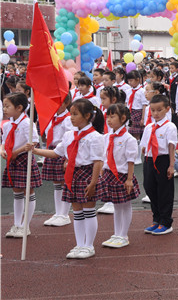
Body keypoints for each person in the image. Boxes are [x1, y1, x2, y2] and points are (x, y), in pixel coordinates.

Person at [31, 99, 106, 259]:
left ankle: (89, 245)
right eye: (71, 113)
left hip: (87, 174)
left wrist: (93, 183)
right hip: (73, 175)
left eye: (75, 114)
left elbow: (98, 162)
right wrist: (35, 150)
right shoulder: (68, 135)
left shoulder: (95, 137)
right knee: (77, 212)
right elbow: (56, 153)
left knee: (89, 211)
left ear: (87, 116)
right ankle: (79, 244)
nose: (71, 117)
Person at [99, 104, 140, 248]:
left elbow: (130, 160)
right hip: (110, 175)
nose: (109, 120)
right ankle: (117, 233)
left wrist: (129, 179)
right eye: (107, 116)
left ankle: (124, 234)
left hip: (122, 176)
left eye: (112, 116)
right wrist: (103, 169)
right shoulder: (107, 136)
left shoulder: (129, 139)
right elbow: (105, 154)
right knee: (116, 206)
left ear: (123, 118)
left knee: (125, 205)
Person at [2, 93, 41, 238]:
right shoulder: (7, 124)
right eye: (4, 106)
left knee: (28, 191)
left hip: (23, 159)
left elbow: (33, 141)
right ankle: (17, 224)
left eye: (7, 106)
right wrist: (2, 150)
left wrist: (17, 152)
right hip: (12, 160)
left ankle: (26, 225)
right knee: (16, 192)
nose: (4, 109)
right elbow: (4, 140)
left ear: (19, 107)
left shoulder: (26, 123)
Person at [140, 95, 178, 235]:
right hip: (150, 160)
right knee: (150, 188)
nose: (155, 113)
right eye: (153, 110)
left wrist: (171, 165)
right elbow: (144, 147)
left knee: (164, 191)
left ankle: (165, 222)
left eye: (159, 110)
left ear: (167, 109)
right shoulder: (149, 126)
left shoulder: (170, 126)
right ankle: (156, 219)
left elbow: (171, 146)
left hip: (163, 160)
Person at [41, 94, 74, 227]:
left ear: (66, 103)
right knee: (56, 182)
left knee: (64, 182)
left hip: (63, 151)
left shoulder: (68, 119)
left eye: (58, 102)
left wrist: (68, 157)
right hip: (52, 150)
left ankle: (64, 214)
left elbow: (70, 139)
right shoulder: (52, 117)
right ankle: (58, 212)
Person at [126, 70, 147, 140]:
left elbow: (144, 105)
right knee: (129, 132)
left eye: (131, 80)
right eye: (128, 81)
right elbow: (126, 103)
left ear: (138, 80)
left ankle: (137, 148)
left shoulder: (142, 91)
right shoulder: (128, 91)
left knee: (136, 134)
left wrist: (143, 118)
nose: (129, 82)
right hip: (129, 112)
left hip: (138, 113)